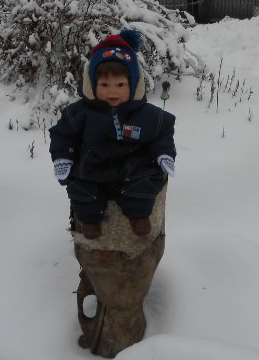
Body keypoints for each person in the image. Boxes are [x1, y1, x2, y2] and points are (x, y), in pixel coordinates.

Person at [49, 29, 176, 240]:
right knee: (80, 189)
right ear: (92, 84)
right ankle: (89, 219)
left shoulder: (144, 114)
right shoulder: (80, 112)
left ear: (133, 84)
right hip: (93, 165)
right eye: (104, 85)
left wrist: (164, 153)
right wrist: (63, 157)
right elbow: (63, 135)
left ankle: (138, 215)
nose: (112, 92)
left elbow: (162, 132)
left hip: (131, 166)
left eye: (120, 85)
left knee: (146, 181)